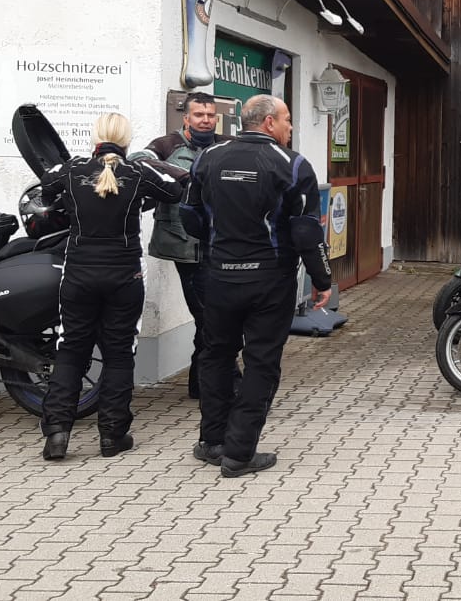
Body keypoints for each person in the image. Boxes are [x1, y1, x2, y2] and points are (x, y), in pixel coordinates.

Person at [182, 94, 332, 478]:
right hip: (270, 280)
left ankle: (212, 442)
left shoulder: (208, 157)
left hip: (218, 276)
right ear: (268, 122)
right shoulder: (292, 164)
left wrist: (217, 243)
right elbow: (306, 230)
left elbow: (189, 216)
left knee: (216, 355)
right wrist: (322, 279)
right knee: (261, 363)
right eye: (286, 119)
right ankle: (238, 453)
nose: (290, 127)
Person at [39, 113, 184, 461]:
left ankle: (57, 433)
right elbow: (175, 189)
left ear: (95, 138)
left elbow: (46, 185)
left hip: (79, 274)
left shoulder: (72, 170)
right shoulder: (138, 172)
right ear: (127, 141)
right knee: (119, 353)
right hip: (124, 276)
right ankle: (112, 436)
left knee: (71, 349)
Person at [129, 91, 238, 399]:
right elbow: (138, 161)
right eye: (199, 115)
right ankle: (227, 380)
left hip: (220, 242)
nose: (205, 120)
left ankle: (200, 383)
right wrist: (184, 176)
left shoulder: (226, 144)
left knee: (215, 315)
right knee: (209, 315)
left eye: (210, 115)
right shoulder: (167, 145)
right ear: (186, 118)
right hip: (184, 245)